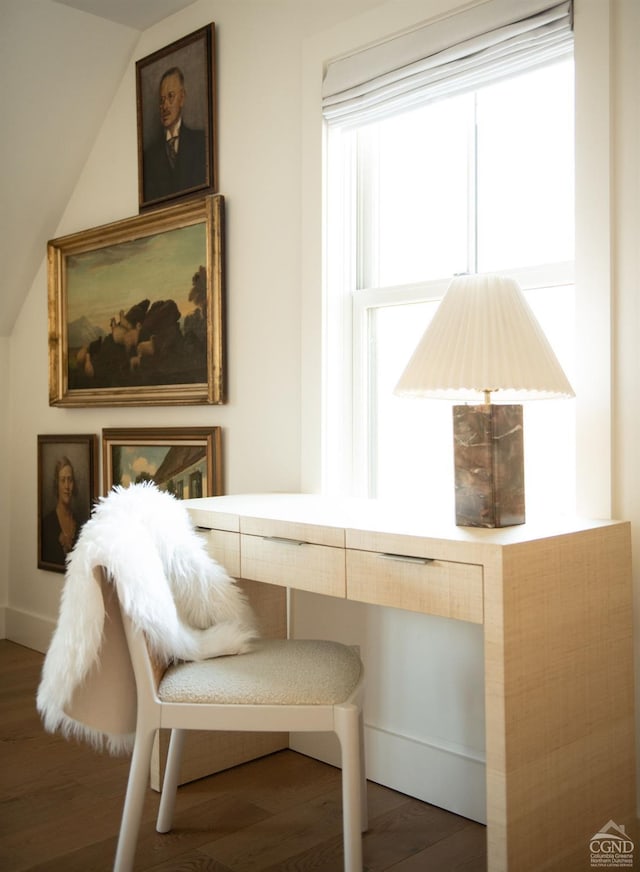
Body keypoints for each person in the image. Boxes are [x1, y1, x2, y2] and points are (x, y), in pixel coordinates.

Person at [143, 66, 206, 202]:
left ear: (182, 98)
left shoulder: (201, 143)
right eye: (162, 100)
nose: (165, 106)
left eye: (171, 97)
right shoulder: (149, 156)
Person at [41, 457, 84, 568]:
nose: (66, 486)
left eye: (70, 480)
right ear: (57, 485)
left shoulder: (80, 524)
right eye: (63, 480)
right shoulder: (47, 523)